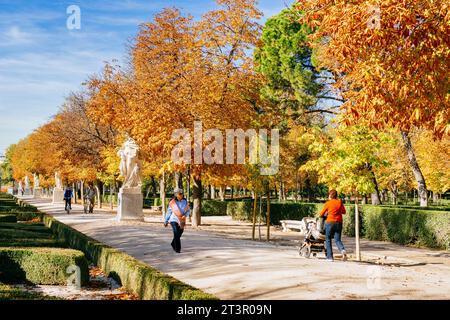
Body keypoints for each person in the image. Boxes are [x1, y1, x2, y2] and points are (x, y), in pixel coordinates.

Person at [319, 189, 347, 262]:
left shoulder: (328, 203)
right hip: (339, 222)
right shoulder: (340, 202)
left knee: (328, 239)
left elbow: (321, 214)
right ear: (336, 195)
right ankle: (342, 250)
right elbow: (344, 212)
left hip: (330, 222)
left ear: (330, 195)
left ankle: (330, 257)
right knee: (337, 239)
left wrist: (328, 213)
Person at [164, 188, 190, 253]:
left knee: (180, 232)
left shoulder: (185, 201)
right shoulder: (172, 202)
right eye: (179, 194)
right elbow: (169, 212)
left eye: (181, 193)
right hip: (173, 219)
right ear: (176, 194)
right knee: (176, 232)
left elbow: (188, 210)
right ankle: (177, 249)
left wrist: (185, 215)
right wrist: (166, 220)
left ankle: (173, 243)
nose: (181, 195)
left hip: (182, 219)